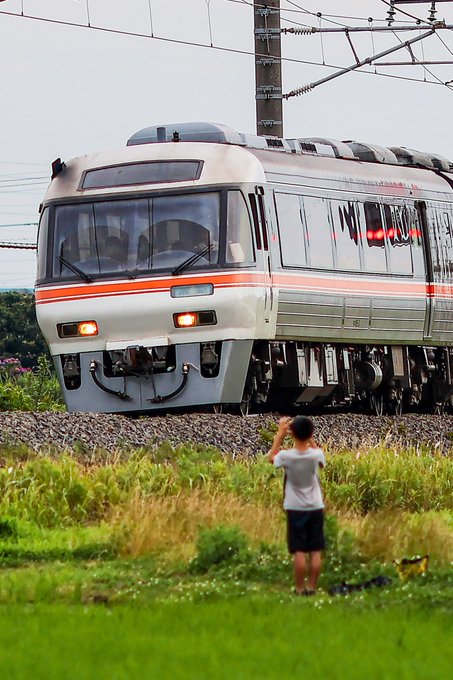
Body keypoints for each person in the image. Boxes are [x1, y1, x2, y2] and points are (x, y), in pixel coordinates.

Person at [268, 415, 326, 596]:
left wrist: (280, 434)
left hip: (295, 507)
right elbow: (322, 462)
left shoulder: (287, 456)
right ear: (311, 434)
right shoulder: (316, 454)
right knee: (315, 550)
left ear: (292, 434)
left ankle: (300, 588)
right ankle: (312, 587)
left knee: (299, 550)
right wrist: (310, 438)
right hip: (315, 505)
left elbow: (271, 458)